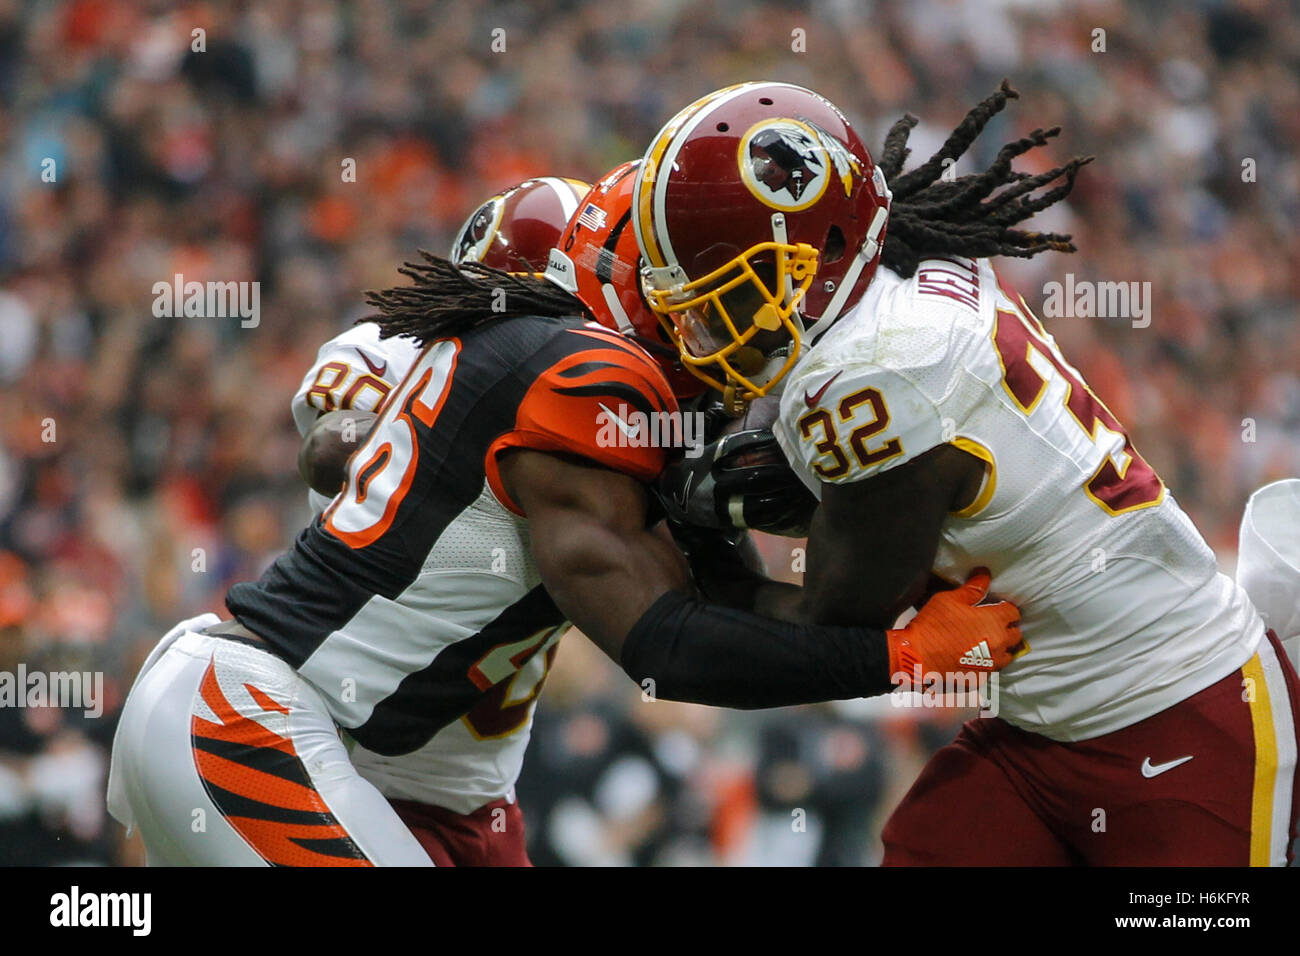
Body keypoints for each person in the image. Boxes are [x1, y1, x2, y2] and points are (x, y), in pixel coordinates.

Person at [105, 157, 1022, 866]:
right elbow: (666, 643)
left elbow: (715, 603)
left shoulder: (580, 405)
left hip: (422, 774)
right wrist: (892, 657)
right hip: (261, 717)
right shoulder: (552, 374)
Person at [639, 80, 1299, 865]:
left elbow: (836, 627)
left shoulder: (870, 375)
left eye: (731, 294)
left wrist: (693, 559)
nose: (707, 328)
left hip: (1182, 708)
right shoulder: (912, 280)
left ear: (819, 254)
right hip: (1042, 723)